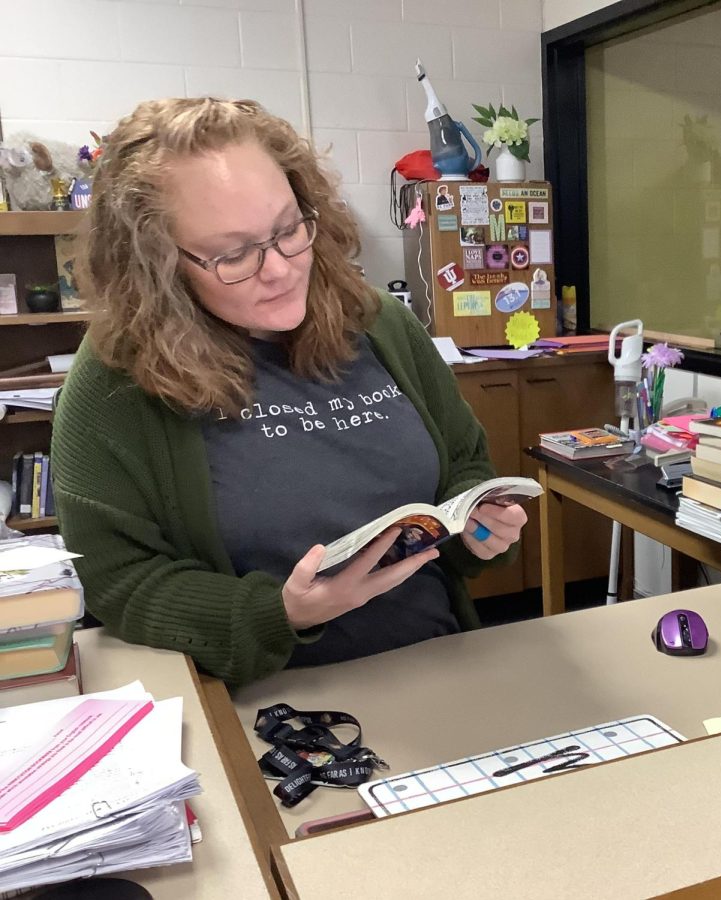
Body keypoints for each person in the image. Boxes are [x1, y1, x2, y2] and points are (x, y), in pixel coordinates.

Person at [51, 98, 527, 688]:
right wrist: (280, 614)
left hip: (436, 665)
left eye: (286, 230)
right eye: (233, 254)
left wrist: (479, 523)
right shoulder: (115, 380)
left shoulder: (380, 324)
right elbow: (120, 581)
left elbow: (462, 465)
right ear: (158, 264)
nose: (279, 269)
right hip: (262, 705)